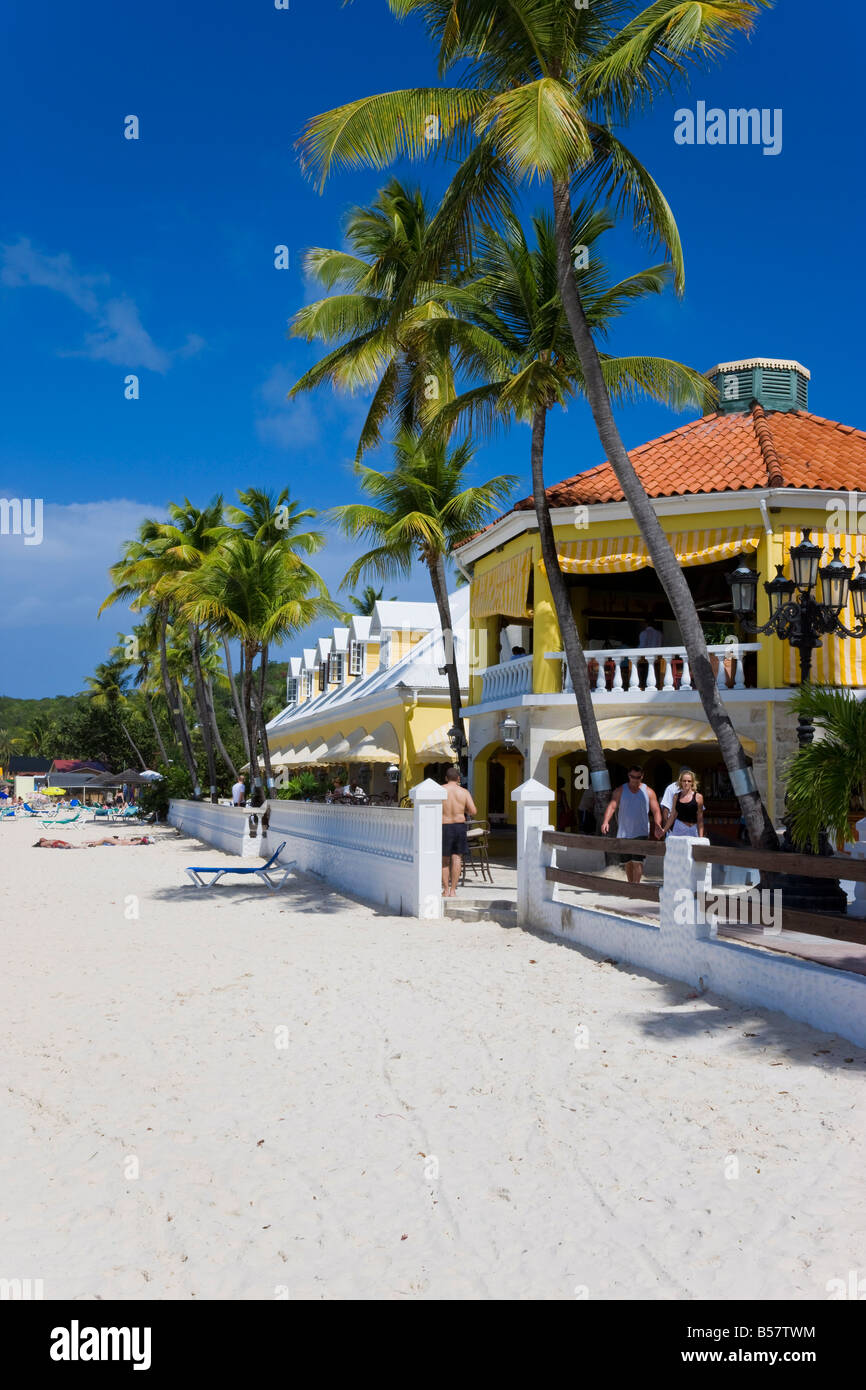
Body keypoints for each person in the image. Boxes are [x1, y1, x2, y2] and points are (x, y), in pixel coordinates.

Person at [600, 765, 663, 884]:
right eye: (632, 777)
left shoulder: (648, 791)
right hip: (624, 832)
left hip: (641, 832)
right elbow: (612, 806)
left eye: (638, 777)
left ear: (642, 776)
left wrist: (657, 825)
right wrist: (605, 821)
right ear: (628, 776)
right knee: (628, 862)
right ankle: (631, 886)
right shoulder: (620, 790)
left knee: (638, 861)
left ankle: (636, 886)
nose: (635, 779)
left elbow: (656, 810)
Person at [441, 765, 476, 898]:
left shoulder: (440, 790)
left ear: (446, 778)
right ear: (458, 778)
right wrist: (463, 809)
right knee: (457, 859)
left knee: (444, 860)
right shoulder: (464, 792)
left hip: (444, 826)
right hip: (459, 826)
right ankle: (453, 891)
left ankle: (445, 890)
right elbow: (473, 811)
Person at [662, 770, 704, 838]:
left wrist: (701, 837)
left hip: (693, 829)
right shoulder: (676, 796)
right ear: (680, 782)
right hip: (679, 828)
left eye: (689, 781)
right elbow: (672, 815)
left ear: (692, 782)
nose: (686, 783)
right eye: (684, 781)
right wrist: (664, 830)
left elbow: (700, 819)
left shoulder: (699, 797)